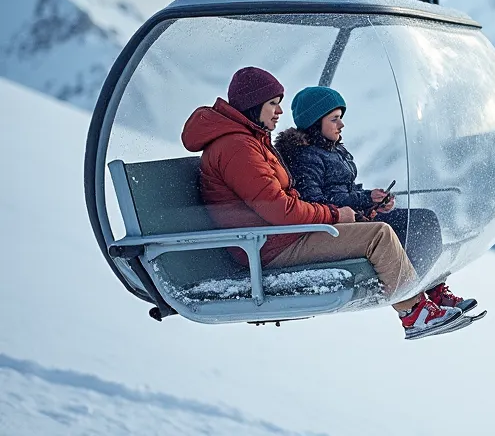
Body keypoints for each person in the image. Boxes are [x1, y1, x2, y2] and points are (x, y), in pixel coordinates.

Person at [180, 67, 461, 340]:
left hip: (279, 236)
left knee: (395, 226)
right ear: (253, 105)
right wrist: (334, 215)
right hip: (269, 246)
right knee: (379, 235)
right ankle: (415, 314)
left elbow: (281, 203)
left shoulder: (249, 141)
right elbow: (280, 209)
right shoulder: (237, 148)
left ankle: (423, 299)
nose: (279, 111)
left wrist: (350, 208)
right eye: (273, 103)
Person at [273, 85, 478, 315]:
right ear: (315, 122)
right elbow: (315, 200)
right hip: (335, 225)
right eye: (334, 119)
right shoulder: (304, 157)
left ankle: (433, 288)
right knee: (410, 226)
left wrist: (372, 199)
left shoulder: (332, 149)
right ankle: (415, 299)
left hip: (353, 216)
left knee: (424, 221)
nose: (341, 125)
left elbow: (345, 189)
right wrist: (364, 200)